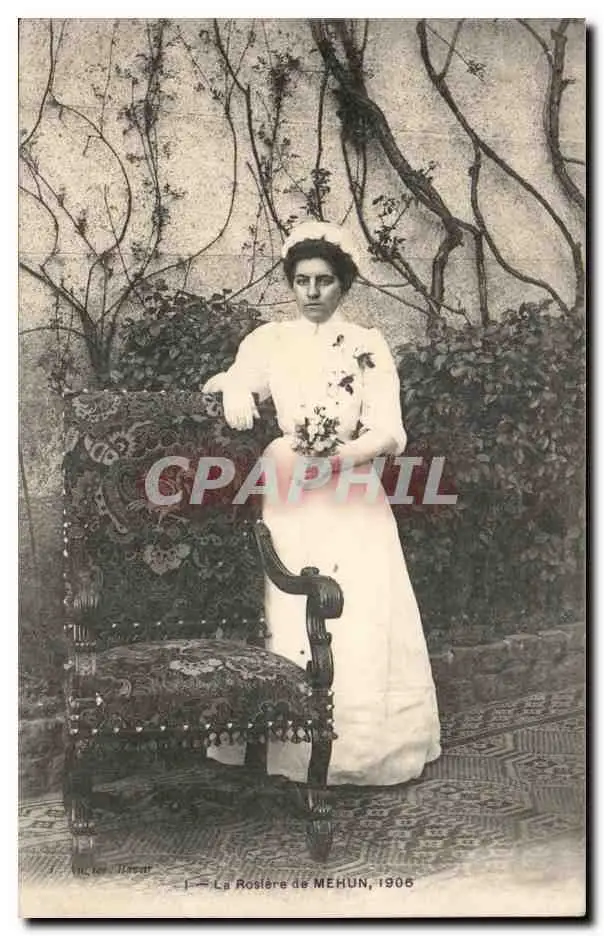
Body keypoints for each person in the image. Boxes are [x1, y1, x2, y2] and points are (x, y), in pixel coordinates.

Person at [203, 220, 440, 786]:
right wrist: (235, 388)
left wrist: (342, 456)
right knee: (285, 600)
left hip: (349, 482)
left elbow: (390, 431)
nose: (312, 292)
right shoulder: (271, 340)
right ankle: (282, 742)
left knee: (357, 603)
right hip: (289, 482)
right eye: (302, 280)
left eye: (324, 281)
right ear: (291, 283)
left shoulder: (366, 344)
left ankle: (360, 747)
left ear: (344, 284)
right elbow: (227, 381)